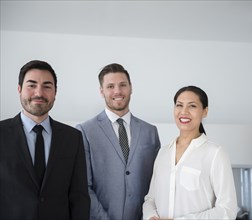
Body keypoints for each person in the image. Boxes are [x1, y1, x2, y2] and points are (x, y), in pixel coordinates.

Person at [0, 60, 90, 220]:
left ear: (55, 92)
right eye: (31, 85)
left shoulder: (72, 137)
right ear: (19, 89)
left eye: (47, 86)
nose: (39, 93)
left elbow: (79, 197)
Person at [76, 63, 161, 220]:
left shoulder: (150, 132)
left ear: (131, 88)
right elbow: (83, 187)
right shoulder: (85, 131)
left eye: (123, 85)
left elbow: (156, 184)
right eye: (110, 86)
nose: (117, 91)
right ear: (101, 91)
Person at [143, 85, 238, 219]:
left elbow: (227, 210)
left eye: (192, 106)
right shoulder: (163, 153)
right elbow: (150, 199)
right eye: (179, 105)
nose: (184, 111)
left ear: (205, 111)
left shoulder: (215, 153)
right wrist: (151, 216)